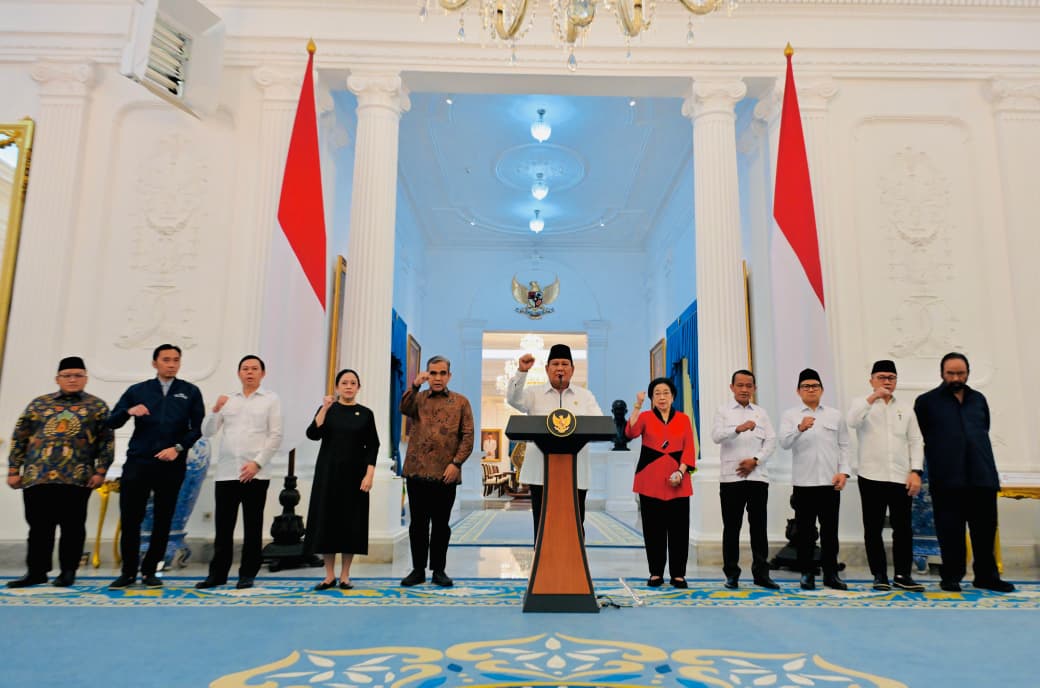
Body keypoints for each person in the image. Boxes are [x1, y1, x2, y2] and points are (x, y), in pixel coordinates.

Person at [5, 357, 114, 588]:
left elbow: (106, 442)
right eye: (67, 375)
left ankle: (68, 571)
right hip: (38, 475)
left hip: (77, 477)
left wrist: (101, 471)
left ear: (85, 378)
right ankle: (36, 572)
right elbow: (19, 437)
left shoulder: (97, 407)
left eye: (77, 375)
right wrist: (14, 469)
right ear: (57, 379)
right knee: (38, 528)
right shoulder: (39, 405)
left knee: (72, 528)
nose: (72, 379)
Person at [914, 353, 1015, 593]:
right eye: (951, 373)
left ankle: (986, 576)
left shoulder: (978, 399)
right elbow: (919, 438)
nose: (956, 378)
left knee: (984, 532)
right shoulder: (926, 402)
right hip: (948, 479)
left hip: (982, 477)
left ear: (968, 373)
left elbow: (984, 429)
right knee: (951, 533)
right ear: (942, 373)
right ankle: (951, 576)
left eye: (961, 373)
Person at [106, 344, 205, 589]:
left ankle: (151, 571)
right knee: (131, 519)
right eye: (166, 359)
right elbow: (112, 421)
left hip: (171, 464)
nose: (171, 364)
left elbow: (197, 428)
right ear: (155, 363)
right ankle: (128, 571)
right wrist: (129, 411)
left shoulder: (190, 392)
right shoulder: (138, 390)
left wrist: (178, 448)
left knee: (164, 519)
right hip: (138, 463)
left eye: (176, 360)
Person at [195, 355, 283, 591]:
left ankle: (247, 574)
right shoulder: (228, 401)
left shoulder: (270, 400)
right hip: (226, 473)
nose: (250, 372)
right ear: (239, 373)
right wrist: (214, 410)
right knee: (223, 527)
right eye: (245, 368)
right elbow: (208, 431)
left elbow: (275, 436)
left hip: (255, 474)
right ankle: (218, 574)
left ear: (262, 373)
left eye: (254, 369)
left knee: (252, 527)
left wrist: (257, 463)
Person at [506, 343, 604, 536]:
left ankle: (574, 564)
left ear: (572, 369)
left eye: (565, 364)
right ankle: (542, 563)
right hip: (540, 473)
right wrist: (521, 372)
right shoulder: (534, 394)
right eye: (555, 363)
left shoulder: (585, 396)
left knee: (574, 525)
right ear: (547, 368)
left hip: (575, 473)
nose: (560, 368)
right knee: (543, 525)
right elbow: (513, 400)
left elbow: (599, 423)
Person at [846, 359, 926, 592]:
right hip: (871, 476)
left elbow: (915, 441)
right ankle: (879, 575)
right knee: (873, 528)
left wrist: (916, 471)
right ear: (871, 380)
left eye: (891, 378)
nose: (887, 382)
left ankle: (903, 575)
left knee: (903, 528)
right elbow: (852, 421)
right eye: (881, 377)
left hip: (901, 476)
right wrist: (872, 398)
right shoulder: (861, 404)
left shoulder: (905, 408)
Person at [399, 355, 475, 587]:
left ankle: (439, 570)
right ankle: (418, 569)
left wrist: (457, 463)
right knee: (418, 525)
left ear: (449, 376)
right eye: (433, 373)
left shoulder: (461, 402)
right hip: (417, 471)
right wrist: (414, 385)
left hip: (446, 474)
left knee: (441, 525)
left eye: (442, 373)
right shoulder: (418, 398)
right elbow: (404, 408)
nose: (438, 378)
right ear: (427, 375)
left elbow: (468, 436)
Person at [304, 368, 379, 591]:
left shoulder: (365, 413)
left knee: (351, 524)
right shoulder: (328, 410)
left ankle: (345, 575)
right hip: (328, 474)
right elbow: (312, 433)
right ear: (337, 387)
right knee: (327, 523)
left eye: (353, 383)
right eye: (344, 382)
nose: (348, 386)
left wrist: (370, 474)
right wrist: (325, 408)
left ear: (358, 387)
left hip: (355, 477)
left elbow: (373, 445)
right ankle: (329, 575)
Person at [779, 368, 851, 591]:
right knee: (806, 532)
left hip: (830, 482)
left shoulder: (835, 415)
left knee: (830, 532)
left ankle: (830, 574)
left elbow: (845, 446)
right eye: (806, 386)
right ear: (798, 391)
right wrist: (800, 428)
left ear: (821, 389)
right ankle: (807, 574)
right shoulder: (790, 415)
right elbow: (784, 442)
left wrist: (844, 472)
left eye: (815, 386)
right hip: (804, 483)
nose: (811, 390)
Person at [625, 377, 696, 588]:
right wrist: (637, 405)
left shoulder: (683, 419)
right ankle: (655, 572)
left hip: (678, 481)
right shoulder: (645, 417)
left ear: (673, 396)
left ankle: (678, 574)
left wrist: (681, 472)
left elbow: (689, 449)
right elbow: (630, 432)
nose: (662, 397)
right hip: (650, 480)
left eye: (666, 393)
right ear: (651, 399)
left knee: (679, 531)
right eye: (657, 394)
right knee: (653, 529)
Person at [711, 369, 779, 590]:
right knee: (731, 528)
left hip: (757, 477)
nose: (744, 389)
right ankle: (731, 574)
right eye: (740, 385)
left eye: (748, 385)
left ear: (754, 388)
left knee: (759, 528)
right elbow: (716, 436)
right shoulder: (723, 411)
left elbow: (771, 441)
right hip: (731, 479)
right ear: (732, 387)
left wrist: (755, 461)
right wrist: (737, 429)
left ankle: (761, 574)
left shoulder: (761, 413)